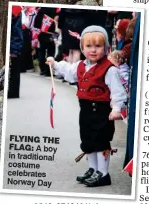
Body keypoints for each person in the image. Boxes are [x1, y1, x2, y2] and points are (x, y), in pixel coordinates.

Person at [46, 26, 127, 187]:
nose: (93, 50)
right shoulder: (80, 65)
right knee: (88, 140)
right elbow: (68, 70)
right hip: (85, 109)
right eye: (89, 46)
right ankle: (92, 168)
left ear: (106, 48)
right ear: (82, 48)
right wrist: (54, 64)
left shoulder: (109, 70)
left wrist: (117, 109)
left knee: (101, 141)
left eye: (98, 46)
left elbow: (118, 91)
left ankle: (103, 174)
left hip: (102, 111)